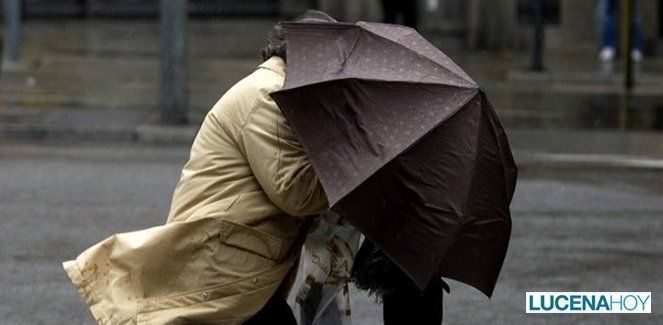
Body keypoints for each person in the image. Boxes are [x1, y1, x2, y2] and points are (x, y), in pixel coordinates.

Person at [63, 11, 336, 324]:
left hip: (237, 259)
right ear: (309, 60)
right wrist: (342, 162)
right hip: (224, 262)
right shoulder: (268, 96)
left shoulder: (280, 94)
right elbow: (294, 191)